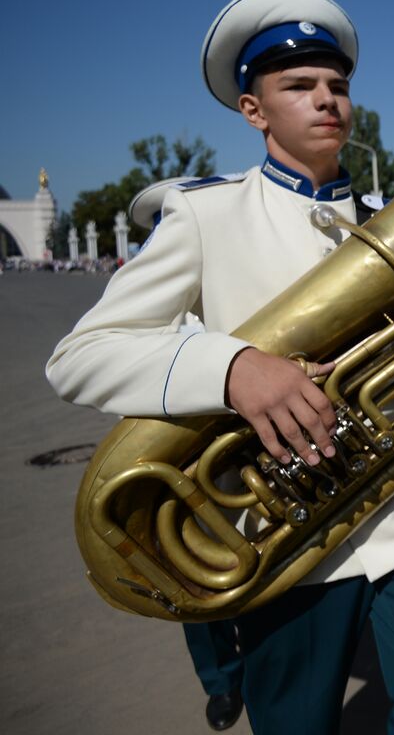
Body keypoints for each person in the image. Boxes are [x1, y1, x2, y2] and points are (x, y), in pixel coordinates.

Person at [47, 0, 394, 735]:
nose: (328, 101)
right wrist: (232, 368)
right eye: (300, 87)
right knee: (294, 722)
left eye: (338, 86)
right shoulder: (204, 212)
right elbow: (79, 356)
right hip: (281, 528)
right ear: (254, 111)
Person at [130, 176, 245, 731]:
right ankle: (221, 681)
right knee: (195, 579)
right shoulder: (147, 302)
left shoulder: (230, 281)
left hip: (243, 452)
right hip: (182, 460)